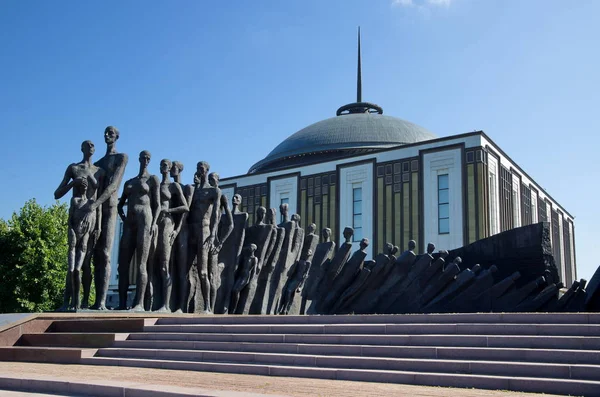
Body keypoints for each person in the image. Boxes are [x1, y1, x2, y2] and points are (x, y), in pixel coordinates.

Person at [54, 140, 104, 311]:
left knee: (86, 262)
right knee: (72, 263)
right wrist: (73, 184)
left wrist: (98, 225)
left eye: (92, 145)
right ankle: (67, 301)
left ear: (95, 150)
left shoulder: (98, 171)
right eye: (87, 145)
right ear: (81, 148)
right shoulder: (73, 168)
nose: (90, 147)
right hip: (75, 215)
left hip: (90, 217)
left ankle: (83, 302)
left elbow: (99, 200)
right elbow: (57, 194)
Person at [89, 126, 128, 310]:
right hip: (95, 211)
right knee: (93, 254)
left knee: (105, 253)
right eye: (105, 133)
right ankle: (93, 300)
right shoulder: (97, 163)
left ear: (117, 137)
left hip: (109, 207)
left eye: (110, 133)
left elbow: (114, 186)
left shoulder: (121, 157)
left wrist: (96, 204)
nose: (107, 136)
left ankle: (102, 301)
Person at [116, 150, 160, 311]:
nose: (146, 160)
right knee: (123, 265)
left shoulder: (153, 179)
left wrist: (154, 223)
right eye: (143, 157)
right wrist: (124, 219)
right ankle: (121, 303)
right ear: (139, 159)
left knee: (142, 263)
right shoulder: (130, 181)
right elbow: (120, 205)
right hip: (130, 223)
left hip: (145, 220)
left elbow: (158, 204)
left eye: (148, 158)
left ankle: (139, 303)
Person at [154, 159, 189, 312]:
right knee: (153, 265)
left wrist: (168, 211)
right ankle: (154, 302)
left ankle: (166, 305)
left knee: (164, 264)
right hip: (155, 225)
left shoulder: (173, 186)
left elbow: (185, 207)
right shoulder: (155, 184)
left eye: (166, 166)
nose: (164, 168)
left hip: (167, 224)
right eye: (162, 165)